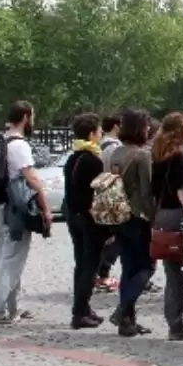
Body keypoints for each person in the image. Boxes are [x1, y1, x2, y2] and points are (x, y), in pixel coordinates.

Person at [0, 101, 52, 326]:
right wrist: (45, 205)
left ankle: (13, 309)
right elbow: (31, 178)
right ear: (25, 117)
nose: (34, 120)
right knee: (11, 262)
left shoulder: (1, 140)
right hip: (14, 212)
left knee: (8, 260)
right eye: (33, 116)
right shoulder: (19, 145)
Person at [150, 113, 183, 341]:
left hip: (161, 217)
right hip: (179, 216)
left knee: (173, 276)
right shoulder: (178, 158)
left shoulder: (156, 156)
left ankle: (175, 324)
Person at [107, 108, 157, 337]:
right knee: (147, 266)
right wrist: (154, 218)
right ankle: (123, 309)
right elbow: (147, 192)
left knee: (128, 267)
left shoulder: (115, 152)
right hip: (137, 215)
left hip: (118, 215)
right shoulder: (142, 155)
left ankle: (127, 321)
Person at [63, 112, 109, 329]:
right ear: (92, 134)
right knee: (90, 266)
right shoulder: (92, 160)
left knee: (80, 264)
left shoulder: (73, 158)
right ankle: (79, 312)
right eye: (99, 131)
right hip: (89, 219)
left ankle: (83, 306)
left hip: (73, 217)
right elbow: (97, 196)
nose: (101, 134)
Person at [95, 113, 123, 292]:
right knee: (115, 238)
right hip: (112, 194)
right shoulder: (114, 148)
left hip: (101, 193)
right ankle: (102, 272)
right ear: (115, 126)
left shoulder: (99, 145)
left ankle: (100, 271)